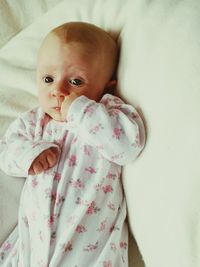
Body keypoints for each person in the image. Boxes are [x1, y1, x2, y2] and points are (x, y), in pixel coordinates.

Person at [0, 22, 145, 267]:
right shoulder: (35, 122)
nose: (58, 90)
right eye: (48, 78)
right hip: (28, 249)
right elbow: (6, 152)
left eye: (76, 82)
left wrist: (81, 109)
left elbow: (127, 146)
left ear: (106, 87)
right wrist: (29, 155)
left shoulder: (107, 114)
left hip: (90, 253)